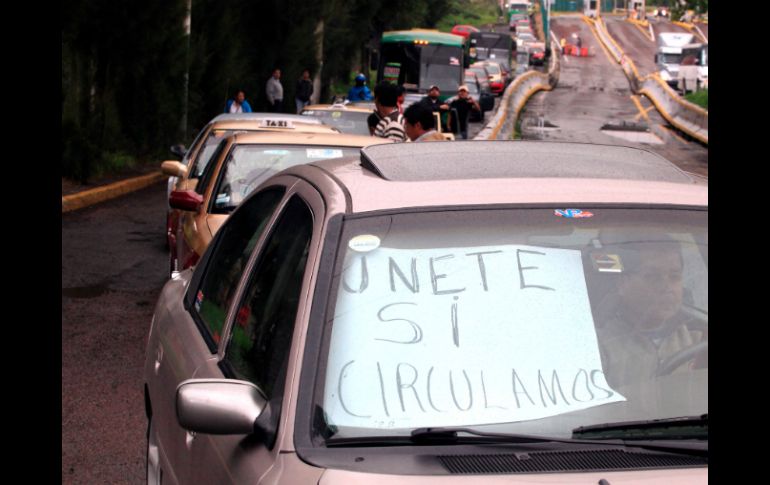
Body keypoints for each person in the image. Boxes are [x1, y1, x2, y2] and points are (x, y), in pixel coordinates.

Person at [595, 238, 707, 388]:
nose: (667, 287)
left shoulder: (699, 335)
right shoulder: (599, 346)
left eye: (675, 277)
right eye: (653, 277)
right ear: (622, 283)